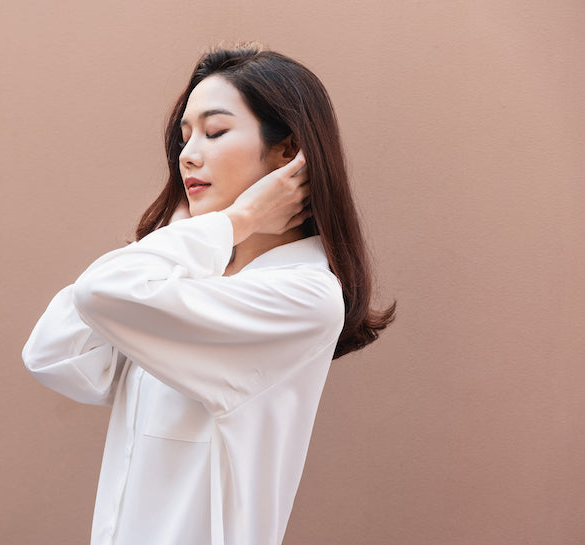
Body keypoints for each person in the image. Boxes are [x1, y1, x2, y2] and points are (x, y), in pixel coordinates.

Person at [22, 43, 395, 545]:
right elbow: (52, 352)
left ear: (288, 152)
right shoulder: (190, 273)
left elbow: (97, 292)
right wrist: (206, 230)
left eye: (215, 132)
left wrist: (233, 221)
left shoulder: (301, 297)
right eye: (185, 136)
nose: (188, 154)